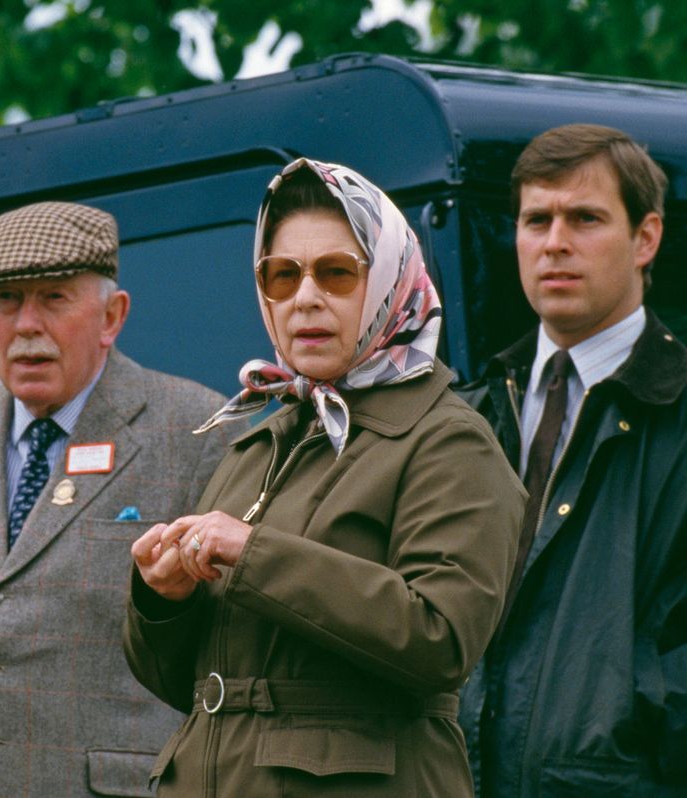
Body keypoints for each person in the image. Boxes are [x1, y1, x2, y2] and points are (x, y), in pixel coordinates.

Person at [123, 158, 524, 797]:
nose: (306, 297)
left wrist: (254, 554)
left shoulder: (448, 439)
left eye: (336, 273)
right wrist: (164, 602)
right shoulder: (262, 438)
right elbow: (188, 688)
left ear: (392, 278)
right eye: (283, 275)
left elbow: (442, 640)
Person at [0, 201, 234, 797]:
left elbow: (225, 645)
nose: (27, 325)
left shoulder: (196, 427)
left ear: (112, 316)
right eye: (5, 300)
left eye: (53, 298)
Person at [457, 124, 687, 796]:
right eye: (537, 219)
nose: (555, 242)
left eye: (585, 218)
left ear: (647, 238)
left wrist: (629, 732)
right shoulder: (467, 414)